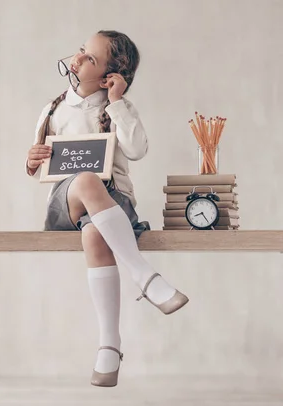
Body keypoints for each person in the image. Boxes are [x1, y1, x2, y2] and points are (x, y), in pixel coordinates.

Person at [25, 30, 189, 387]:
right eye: (82, 51)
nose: (79, 58)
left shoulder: (118, 109)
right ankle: (145, 276)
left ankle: (109, 347)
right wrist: (31, 160)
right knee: (85, 180)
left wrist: (116, 101)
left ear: (108, 77)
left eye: (91, 59)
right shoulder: (53, 109)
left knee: (96, 232)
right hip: (65, 205)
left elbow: (137, 149)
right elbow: (36, 163)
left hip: (113, 206)